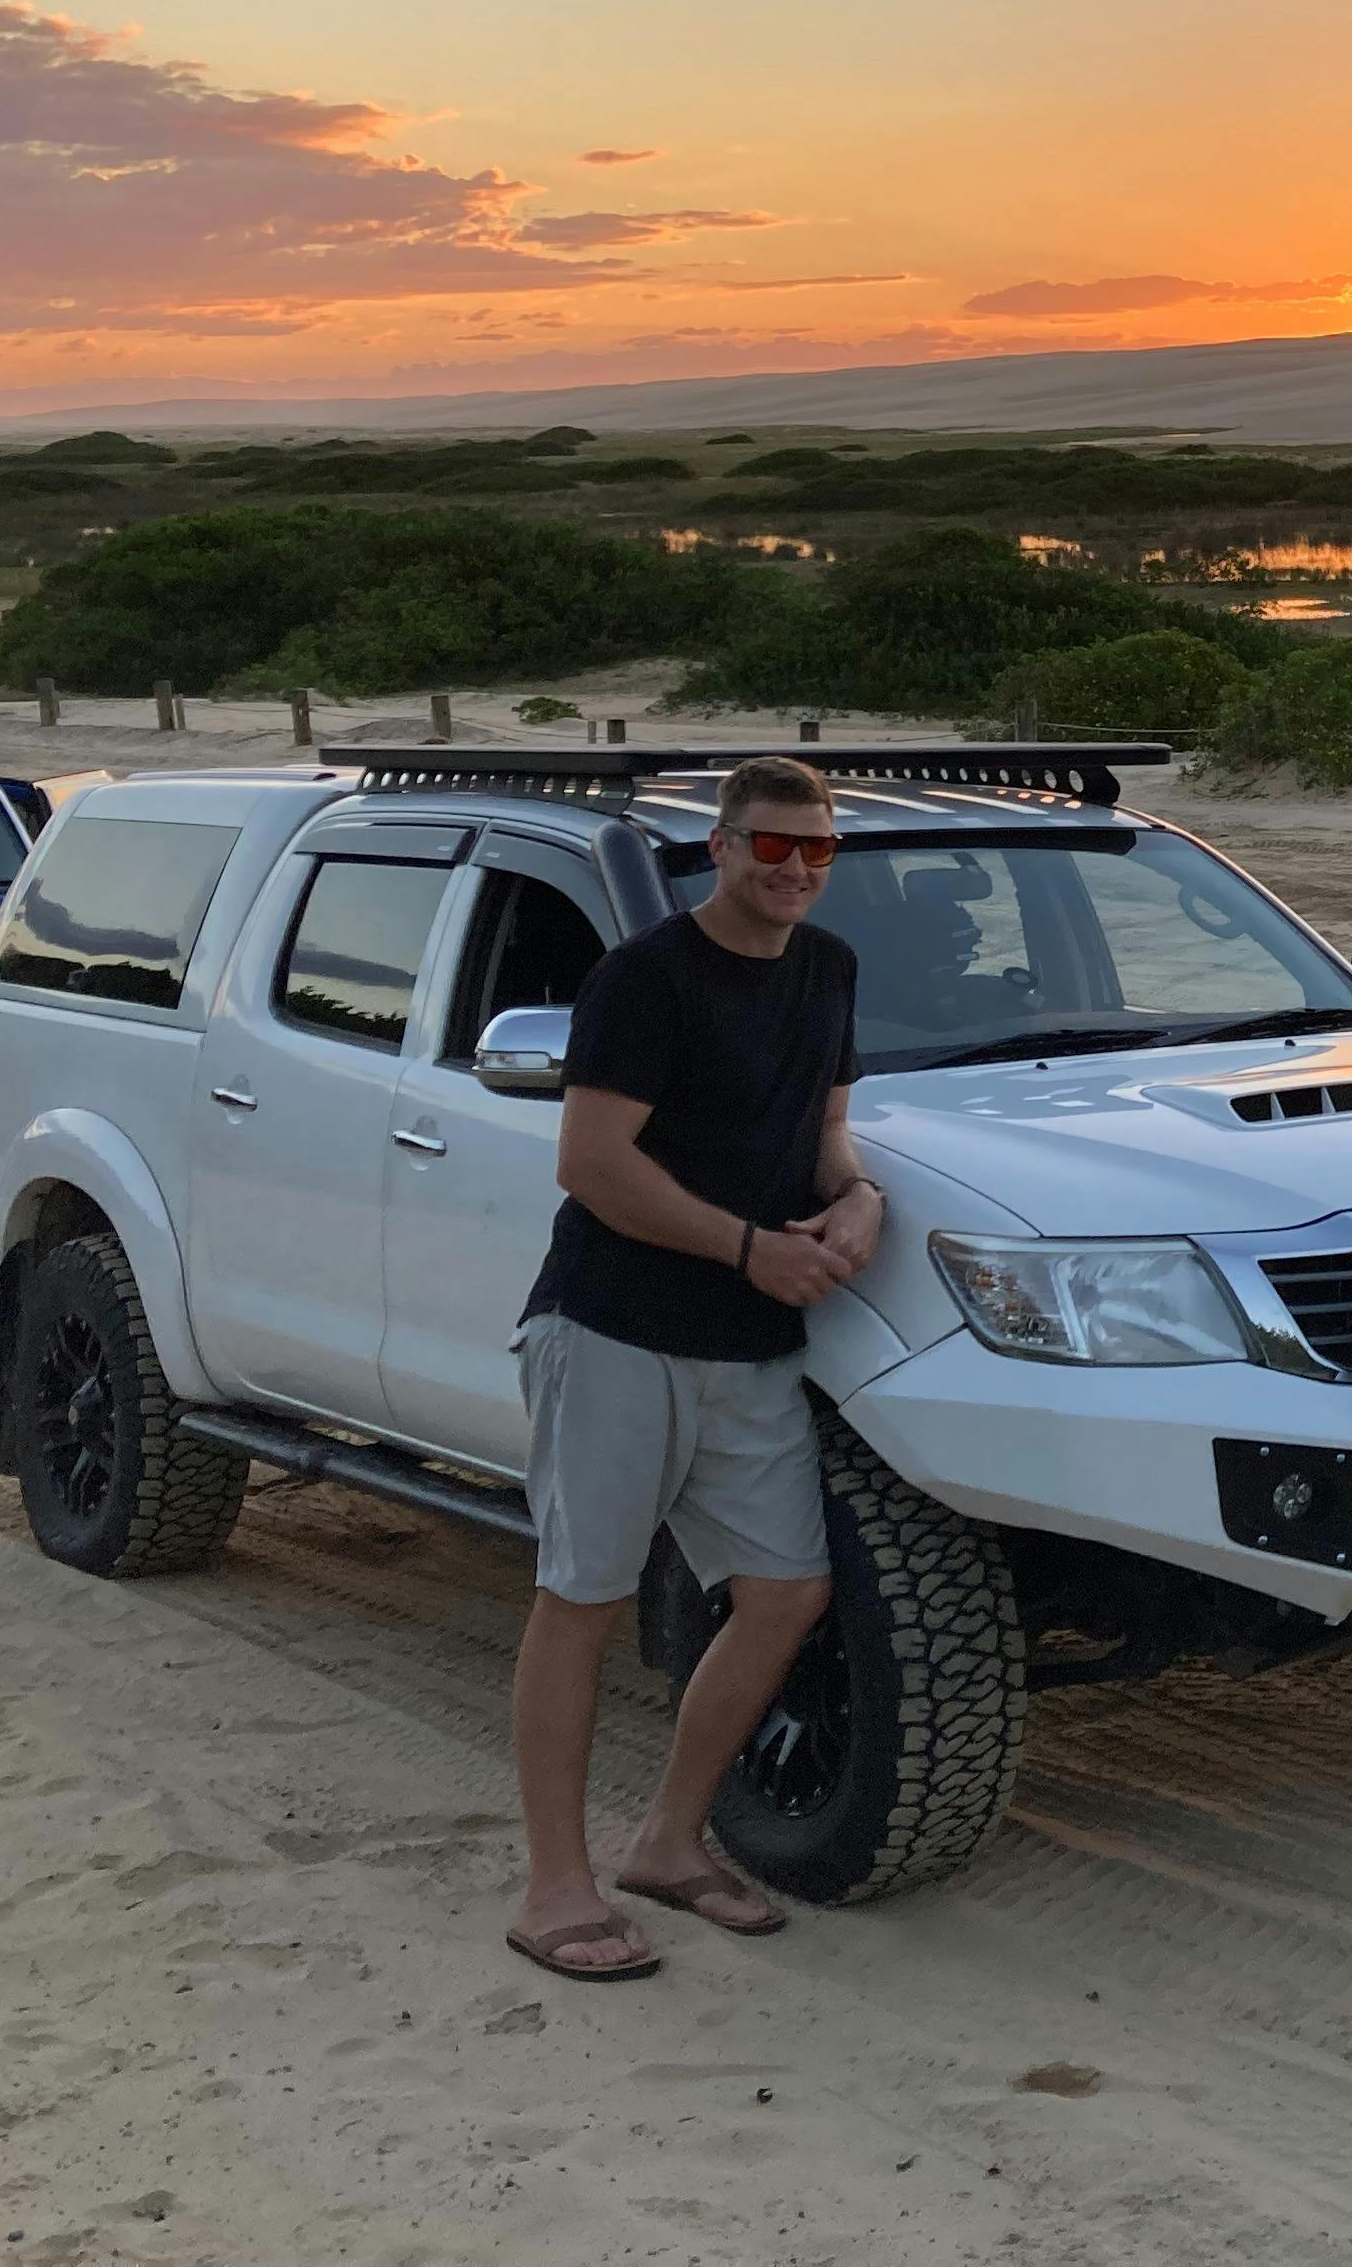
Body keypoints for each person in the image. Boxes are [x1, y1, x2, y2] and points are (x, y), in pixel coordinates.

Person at [505, 755, 878, 1980]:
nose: (797, 870)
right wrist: (748, 1249)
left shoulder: (829, 969)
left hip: (750, 1348)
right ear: (718, 849)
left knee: (785, 1593)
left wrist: (860, 1198)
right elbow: (592, 1163)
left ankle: (667, 1842)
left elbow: (822, 1133)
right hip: (615, 1326)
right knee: (585, 1599)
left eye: (818, 850)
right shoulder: (644, 978)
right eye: (773, 847)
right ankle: (553, 1887)